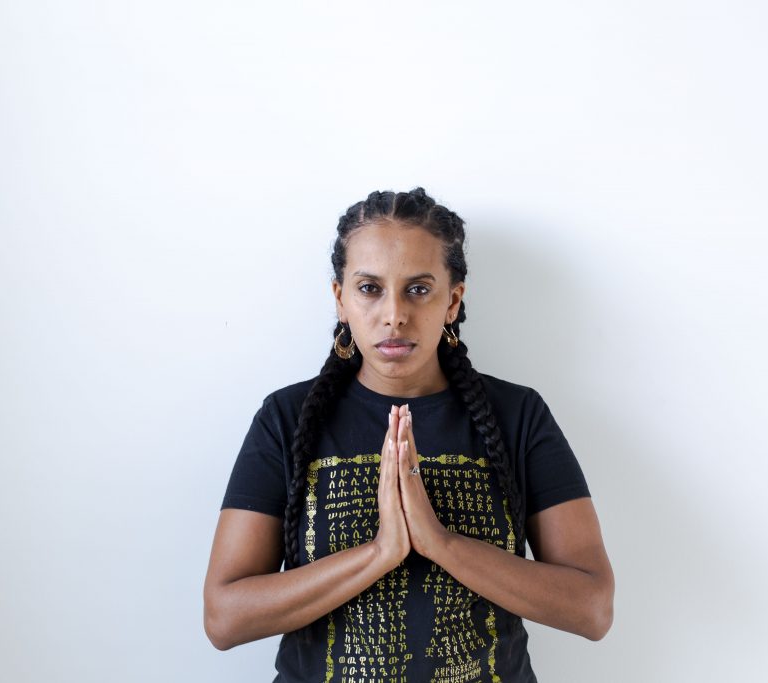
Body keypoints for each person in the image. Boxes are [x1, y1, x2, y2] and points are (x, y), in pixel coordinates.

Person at [203, 188, 614, 682]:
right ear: (340, 299)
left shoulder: (518, 415)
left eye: (418, 289)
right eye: (370, 288)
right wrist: (380, 553)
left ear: (452, 300)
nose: (394, 314)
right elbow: (224, 618)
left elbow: (592, 609)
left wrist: (440, 543)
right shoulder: (285, 418)